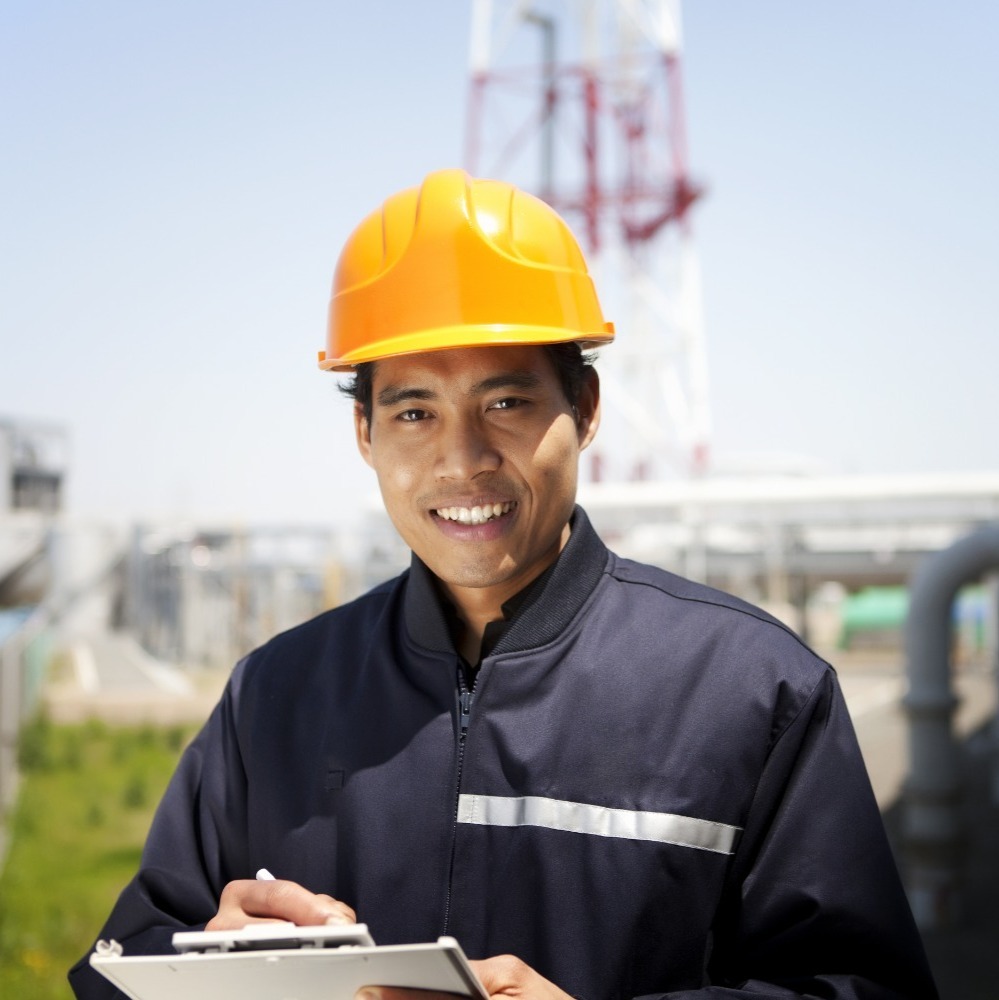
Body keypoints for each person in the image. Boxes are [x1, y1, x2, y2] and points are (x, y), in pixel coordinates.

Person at [70, 169, 937, 999]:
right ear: (363, 432)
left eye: (506, 404)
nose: (461, 460)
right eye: (414, 412)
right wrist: (215, 970)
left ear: (585, 408)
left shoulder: (750, 691)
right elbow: (126, 961)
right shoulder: (276, 695)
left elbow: (861, 987)